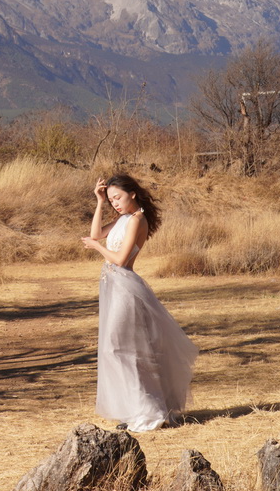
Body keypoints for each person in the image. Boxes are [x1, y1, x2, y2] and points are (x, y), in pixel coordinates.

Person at [80, 173, 197, 431]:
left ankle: (147, 411)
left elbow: (120, 260)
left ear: (132, 193)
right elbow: (96, 233)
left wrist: (96, 248)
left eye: (117, 197)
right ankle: (135, 408)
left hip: (124, 286)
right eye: (111, 200)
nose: (115, 204)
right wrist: (99, 202)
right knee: (117, 348)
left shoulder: (137, 219)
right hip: (112, 286)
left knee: (121, 347)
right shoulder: (122, 218)